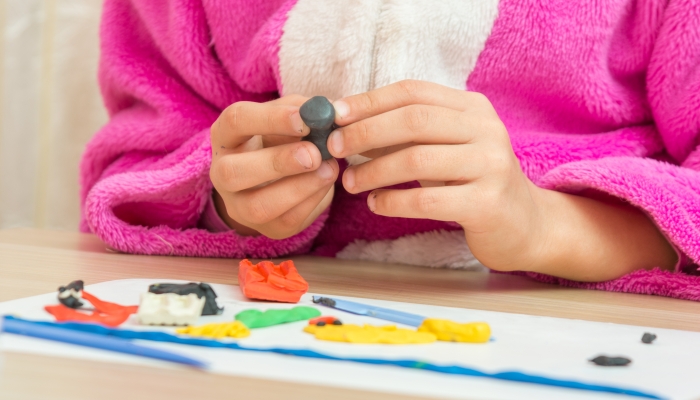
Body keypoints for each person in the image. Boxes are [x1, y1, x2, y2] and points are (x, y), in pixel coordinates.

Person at [80, 0, 700, 298]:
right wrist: (228, 200)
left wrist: (544, 225)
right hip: (282, 334)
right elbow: (136, 159)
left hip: (571, 331)